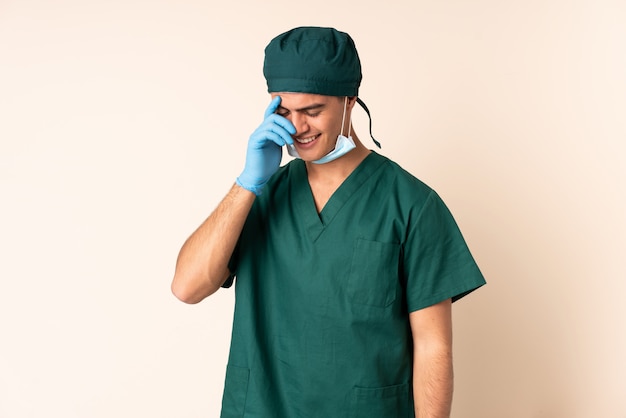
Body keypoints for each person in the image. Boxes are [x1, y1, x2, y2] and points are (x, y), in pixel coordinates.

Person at [172, 26, 486, 418]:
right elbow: (187, 287)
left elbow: (433, 346)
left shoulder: (412, 205)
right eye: (284, 111)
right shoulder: (259, 196)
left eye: (313, 111)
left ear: (350, 100)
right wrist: (247, 183)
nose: (298, 127)